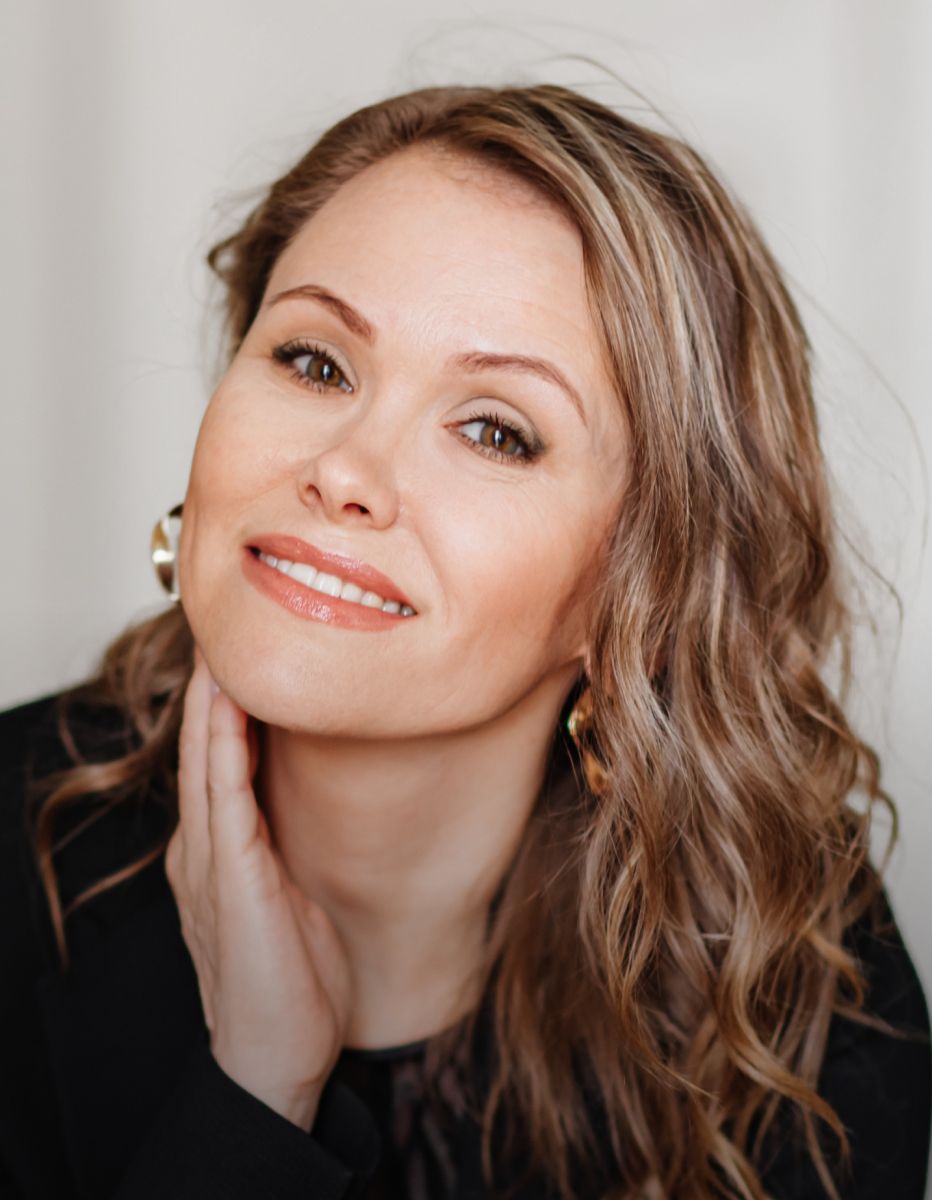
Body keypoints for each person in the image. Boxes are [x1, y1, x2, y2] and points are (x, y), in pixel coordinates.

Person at [0, 81, 929, 1200]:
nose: (344, 471)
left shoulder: (794, 977)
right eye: (314, 362)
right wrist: (254, 1096)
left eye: (495, 431)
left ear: (637, 591)